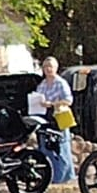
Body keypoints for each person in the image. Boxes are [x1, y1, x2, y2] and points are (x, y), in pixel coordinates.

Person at [35, 55, 75, 183]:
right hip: (45, 118)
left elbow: (69, 100)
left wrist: (53, 104)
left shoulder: (61, 83)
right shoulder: (41, 85)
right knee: (46, 147)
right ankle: (50, 176)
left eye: (50, 66)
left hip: (59, 117)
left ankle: (64, 176)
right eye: (45, 67)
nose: (48, 69)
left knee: (62, 147)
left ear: (56, 68)